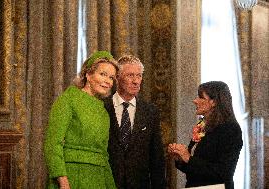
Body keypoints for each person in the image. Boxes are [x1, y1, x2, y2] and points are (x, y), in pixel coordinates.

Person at [44, 51, 118, 189]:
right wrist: (63, 180)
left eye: (112, 78)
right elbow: (53, 143)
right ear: (88, 75)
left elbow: (103, 155)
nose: (108, 81)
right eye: (103, 74)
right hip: (71, 175)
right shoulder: (69, 98)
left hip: (98, 178)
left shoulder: (103, 111)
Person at [104, 55, 166, 189]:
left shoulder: (150, 111)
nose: (136, 81)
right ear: (117, 77)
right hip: (107, 182)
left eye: (139, 76)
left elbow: (157, 157)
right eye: (130, 75)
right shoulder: (102, 107)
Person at [168, 81, 243, 189]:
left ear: (214, 102)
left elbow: (224, 172)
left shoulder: (230, 129)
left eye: (200, 97)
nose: (195, 101)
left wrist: (189, 158)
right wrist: (180, 159)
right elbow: (195, 167)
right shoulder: (202, 124)